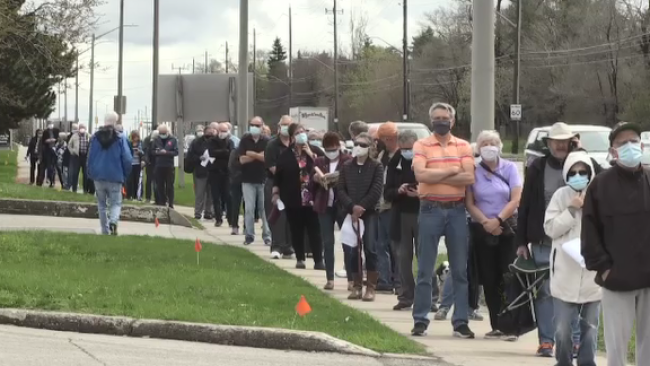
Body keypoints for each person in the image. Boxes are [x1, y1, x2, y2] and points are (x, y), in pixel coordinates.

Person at [582, 122, 650, 366]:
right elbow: (589, 231)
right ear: (613, 151)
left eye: (633, 141)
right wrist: (603, 267)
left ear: (641, 146)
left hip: (649, 278)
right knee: (617, 348)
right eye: (623, 143)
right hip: (617, 277)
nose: (630, 146)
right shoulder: (600, 185)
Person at [516, 122, 581, 357]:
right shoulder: (536, 167)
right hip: (544, 241)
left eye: (566, 141)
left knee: (572, 291)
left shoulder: (582, 166)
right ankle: (546, 341)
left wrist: (580, 152)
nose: (561, 145)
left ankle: (574, 340)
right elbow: (524, 205)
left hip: (575, 241)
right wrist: (521, 241)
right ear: (549, 144)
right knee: (545, 291)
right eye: (557, 141)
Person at [411, 102, 475, 339]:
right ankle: (420, 320)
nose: (441, 121)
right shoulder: (421, 144)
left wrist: (436, 175)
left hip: (457, 211)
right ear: (431, 121)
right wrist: (452, 172)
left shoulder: (464, 145)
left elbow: (468, 177)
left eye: (444, 117)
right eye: (437, 117)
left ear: (452, 120)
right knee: (425, 269)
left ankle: (460, 322)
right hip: (430, 210)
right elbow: (420, 175)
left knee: (460, 270)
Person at [544, 149, 601, 366]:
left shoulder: (598, 195)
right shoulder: (560, 196)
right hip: (564, 273)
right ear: (567, 174)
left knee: (590, 328)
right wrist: (571, 210)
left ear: (590, 172)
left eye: (583, 171)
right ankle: (564, 361)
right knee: (562, 329)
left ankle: (587, 362)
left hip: (592, 275)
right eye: (573, 172)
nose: (578, 175)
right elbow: (550, 228)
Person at [465, 130, 522, 338]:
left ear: (499, 146)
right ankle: (497, 323)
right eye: (484, 143)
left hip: (507, 228)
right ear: (478, 148)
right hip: (482, 229)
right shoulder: (473, 171)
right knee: (489, 277)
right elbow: (469, 203)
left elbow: (516, 199)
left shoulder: (510, 168)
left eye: (492, 143)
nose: (488, 146)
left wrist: (498, 220)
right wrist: (486, 223)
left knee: (509, 276)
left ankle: (513, 324)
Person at [336, 132, 383, 302]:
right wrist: (351, 207)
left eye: (363, 145)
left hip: (368, 213)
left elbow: (376, 190)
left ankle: (370, 287)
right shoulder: (347, 166)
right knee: (352, 249)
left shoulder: (376, 167)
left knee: (370, 248)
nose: (359, 147)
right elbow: (340, 189)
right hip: (350, 213)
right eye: (357, 144)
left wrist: (362, 207)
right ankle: (356, 285)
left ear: (370, 147)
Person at [272, 123, 325, 270]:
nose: (301, 134)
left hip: (313, 198)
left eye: (303, 131)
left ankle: (318, 260)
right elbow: (278, 177)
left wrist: (311, 155)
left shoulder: (315, 151)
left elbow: (323, 168)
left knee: (315, 230)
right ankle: (300, 258)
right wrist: (275, 193)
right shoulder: (285, 155)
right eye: (297, 132)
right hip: (293, 198)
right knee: (296, 230)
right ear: (292, 137)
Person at [384, 129, 421, 310]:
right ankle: (406, 296)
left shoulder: (423, 159)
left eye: (410, 148)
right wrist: (399, 190)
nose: (407, 151)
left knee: (425, 257)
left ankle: (429, 296)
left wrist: (421, 192)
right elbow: (387, 193)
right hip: (401, 215)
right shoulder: (394, 163)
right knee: (403, 257)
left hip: (422, 213)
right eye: (404, 148)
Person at [312, 131, 352, 290]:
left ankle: (351, 278)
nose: (331, 152)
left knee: (348, 243)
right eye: (328, 149)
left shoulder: (347, 161)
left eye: (333, 148)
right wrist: (316, 179)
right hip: (324, 205)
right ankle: (330, 278)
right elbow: (311, 184)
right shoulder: (319, 161)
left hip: (342, 205)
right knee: (328, 242)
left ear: (339, 147)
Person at [87, 112, 132, 235]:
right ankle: (113, 221)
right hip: (115, 175)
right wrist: (126, 174)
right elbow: (127, 158)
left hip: (98, 175)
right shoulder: (120, 138)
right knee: (116, 203)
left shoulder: (95, 138)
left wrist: (90, 172)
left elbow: (90, 157)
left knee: (101, 205)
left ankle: (104, 230)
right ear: (115, 122)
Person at [265, 115, 295, 259]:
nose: (286, 128)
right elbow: (272, 168)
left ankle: (288, 246)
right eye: (284, 125)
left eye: (289, 125)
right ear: (279, 127)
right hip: (275, 184)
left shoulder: (295, 145)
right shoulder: (272, 145)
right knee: (278, 215)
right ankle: (276, 246)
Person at [376, 122, 400, 294]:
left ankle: (398, 281)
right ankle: (384, 280)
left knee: (395, 246)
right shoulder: (382, 155)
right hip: (380, 204)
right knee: (380, 244)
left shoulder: (401, 156)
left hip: (394, 205)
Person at [239, 116, 271, 245]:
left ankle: (267, 236)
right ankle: (249, 235)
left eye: (257, 125)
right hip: (247, 179)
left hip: (263, 179)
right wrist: (259, 156)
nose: (255, 127)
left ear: (262, 126)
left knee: (264, 209)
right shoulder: (245, 140)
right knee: (249, 209)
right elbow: (242, 159)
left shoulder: (267, 141)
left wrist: (251, 154)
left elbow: (267, 159)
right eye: (252, 125)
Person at [208, 122, 235, 227]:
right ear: (218, 131)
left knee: (228, 196)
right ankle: (218, 218)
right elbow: (211, 153)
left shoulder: (230, 142)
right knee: (216, 197)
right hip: (214, 172)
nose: (223, 133)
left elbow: (231, 153)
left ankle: (231, 219)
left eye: (225, 131)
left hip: (227, 172)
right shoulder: (212, 141)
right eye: (221, 131)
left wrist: (221, 152)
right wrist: (224, 152)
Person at [187, 124, 214, 220]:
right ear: (205, 132)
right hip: (200, 171)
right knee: (200, 193)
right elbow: (190, 156)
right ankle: (198, 212)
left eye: (212, 133)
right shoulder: (196, 142)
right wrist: (199, 158)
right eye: (208, 133)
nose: (210, 135)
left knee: (210, 194)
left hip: (212, 171)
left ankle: (208, 212)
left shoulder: (215, 141)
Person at [153, 125, 178, 208]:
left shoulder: (173, 140)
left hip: (169, 165)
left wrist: (166, 152)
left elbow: (176, 152)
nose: (162, 134)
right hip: (159, 165)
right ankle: (162, 202)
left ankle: (171, 203)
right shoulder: (156, 140)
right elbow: (152, 151)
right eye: (161, 133)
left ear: (167, 132)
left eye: (164, 133)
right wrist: (159, 152)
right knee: (160, 185)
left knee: (170, 185)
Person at [68, 123, 90, 193]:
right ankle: (74, 189)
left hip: (85, 157)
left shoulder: (88, 136)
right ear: (79, 129)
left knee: (85, 174)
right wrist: (72, 152)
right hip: (77, 156)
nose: (82, 129)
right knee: (75, 173)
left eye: (83, 128)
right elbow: (69, 145)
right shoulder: (75, 136)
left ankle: (85, 189)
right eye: (81, 128)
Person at [228, 141, 243, 235]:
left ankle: (246, 227)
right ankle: (234, 225)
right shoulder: (236, 151)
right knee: (236, 204)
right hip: (237, 181)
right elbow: (231, 166)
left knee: (248, 206)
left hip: (249, 180)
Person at [37, 122, 59, 187]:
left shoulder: (56, 131)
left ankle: (52, 181)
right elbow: (41, 145)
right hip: (46, 153)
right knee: (45, 168)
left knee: (52, 168)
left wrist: (54, 141)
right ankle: (43, 181)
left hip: (53, 152)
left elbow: (58, 139)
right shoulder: (44, 135)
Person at [126, 131, 145, 200]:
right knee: (130, 180)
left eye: (137, 137)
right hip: (131, 164)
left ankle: (138, 195)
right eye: (134, 137)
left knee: (138, 180)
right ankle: (129, 195)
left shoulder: (141, 143)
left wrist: (139, 152)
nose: (136, 139)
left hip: (138, 164)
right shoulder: (129, 143)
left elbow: (143, 153)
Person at [143, 130, 159, 204]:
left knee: (155, 182)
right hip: (150, 164)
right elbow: (146, 152)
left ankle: (156, 198)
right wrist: (146, 160)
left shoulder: (158, 141)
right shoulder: (148, 141)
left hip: (156, 164)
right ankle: (148, 197)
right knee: (149, 181)